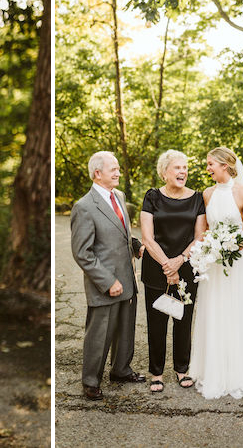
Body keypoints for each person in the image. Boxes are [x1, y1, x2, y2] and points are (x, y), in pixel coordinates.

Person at [187, 147, 243, 399]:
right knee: (214, 310)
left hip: (238, 261)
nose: (207, 168)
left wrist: (232, 248)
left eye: (211, 163)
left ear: (224, 164)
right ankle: (212, 369)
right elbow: (205, 229)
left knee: (238, 310)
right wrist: (211, 250)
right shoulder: (207, 194)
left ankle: (241, 371)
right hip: (214, 261)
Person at [70, 151, 145, 401]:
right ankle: (90, 381)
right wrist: (107, 281)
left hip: (127, 276)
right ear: (97, 173)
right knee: (100, 334)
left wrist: (136, 246)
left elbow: (122, 232)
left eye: (118, 168)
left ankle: (121, 370)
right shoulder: (84, 207)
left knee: (125, 329)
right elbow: (82, 253)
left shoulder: (119, 196)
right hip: (105, 283)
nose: (118, 172)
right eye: (112, 169)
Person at [139, 150, 206, 393]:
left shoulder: (197, 198)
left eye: (185, 168)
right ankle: (156, 372)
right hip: (157, 267)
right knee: (156, 321)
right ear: (164, 172)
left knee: (183, 320)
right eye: (177, 168)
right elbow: (147, 236)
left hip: (188, 267)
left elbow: (200, 237)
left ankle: (182, 369)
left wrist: (179, 261)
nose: (183, 172)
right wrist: (167, 265)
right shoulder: (152, 197)